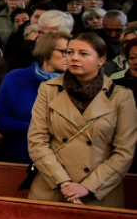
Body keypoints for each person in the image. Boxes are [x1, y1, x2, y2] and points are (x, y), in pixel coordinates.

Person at [27, 33, 136, 208]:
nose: (74, 58)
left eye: (83, 54)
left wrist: (87, 187)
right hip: (53, 188)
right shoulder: (48, 89)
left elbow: (124, 151)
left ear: (101, 60)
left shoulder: (121, 96)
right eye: (69, 52)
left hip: (99, 193)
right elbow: (37, 140)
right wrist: (64, 183)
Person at [0, 31, 70, 164]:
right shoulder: (16, 77)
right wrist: (31, 129)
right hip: (17, 155)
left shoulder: (75, 84)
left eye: (72, 52)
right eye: (65, 52)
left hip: (60, 160)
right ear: (46, 52)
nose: (70, 57)